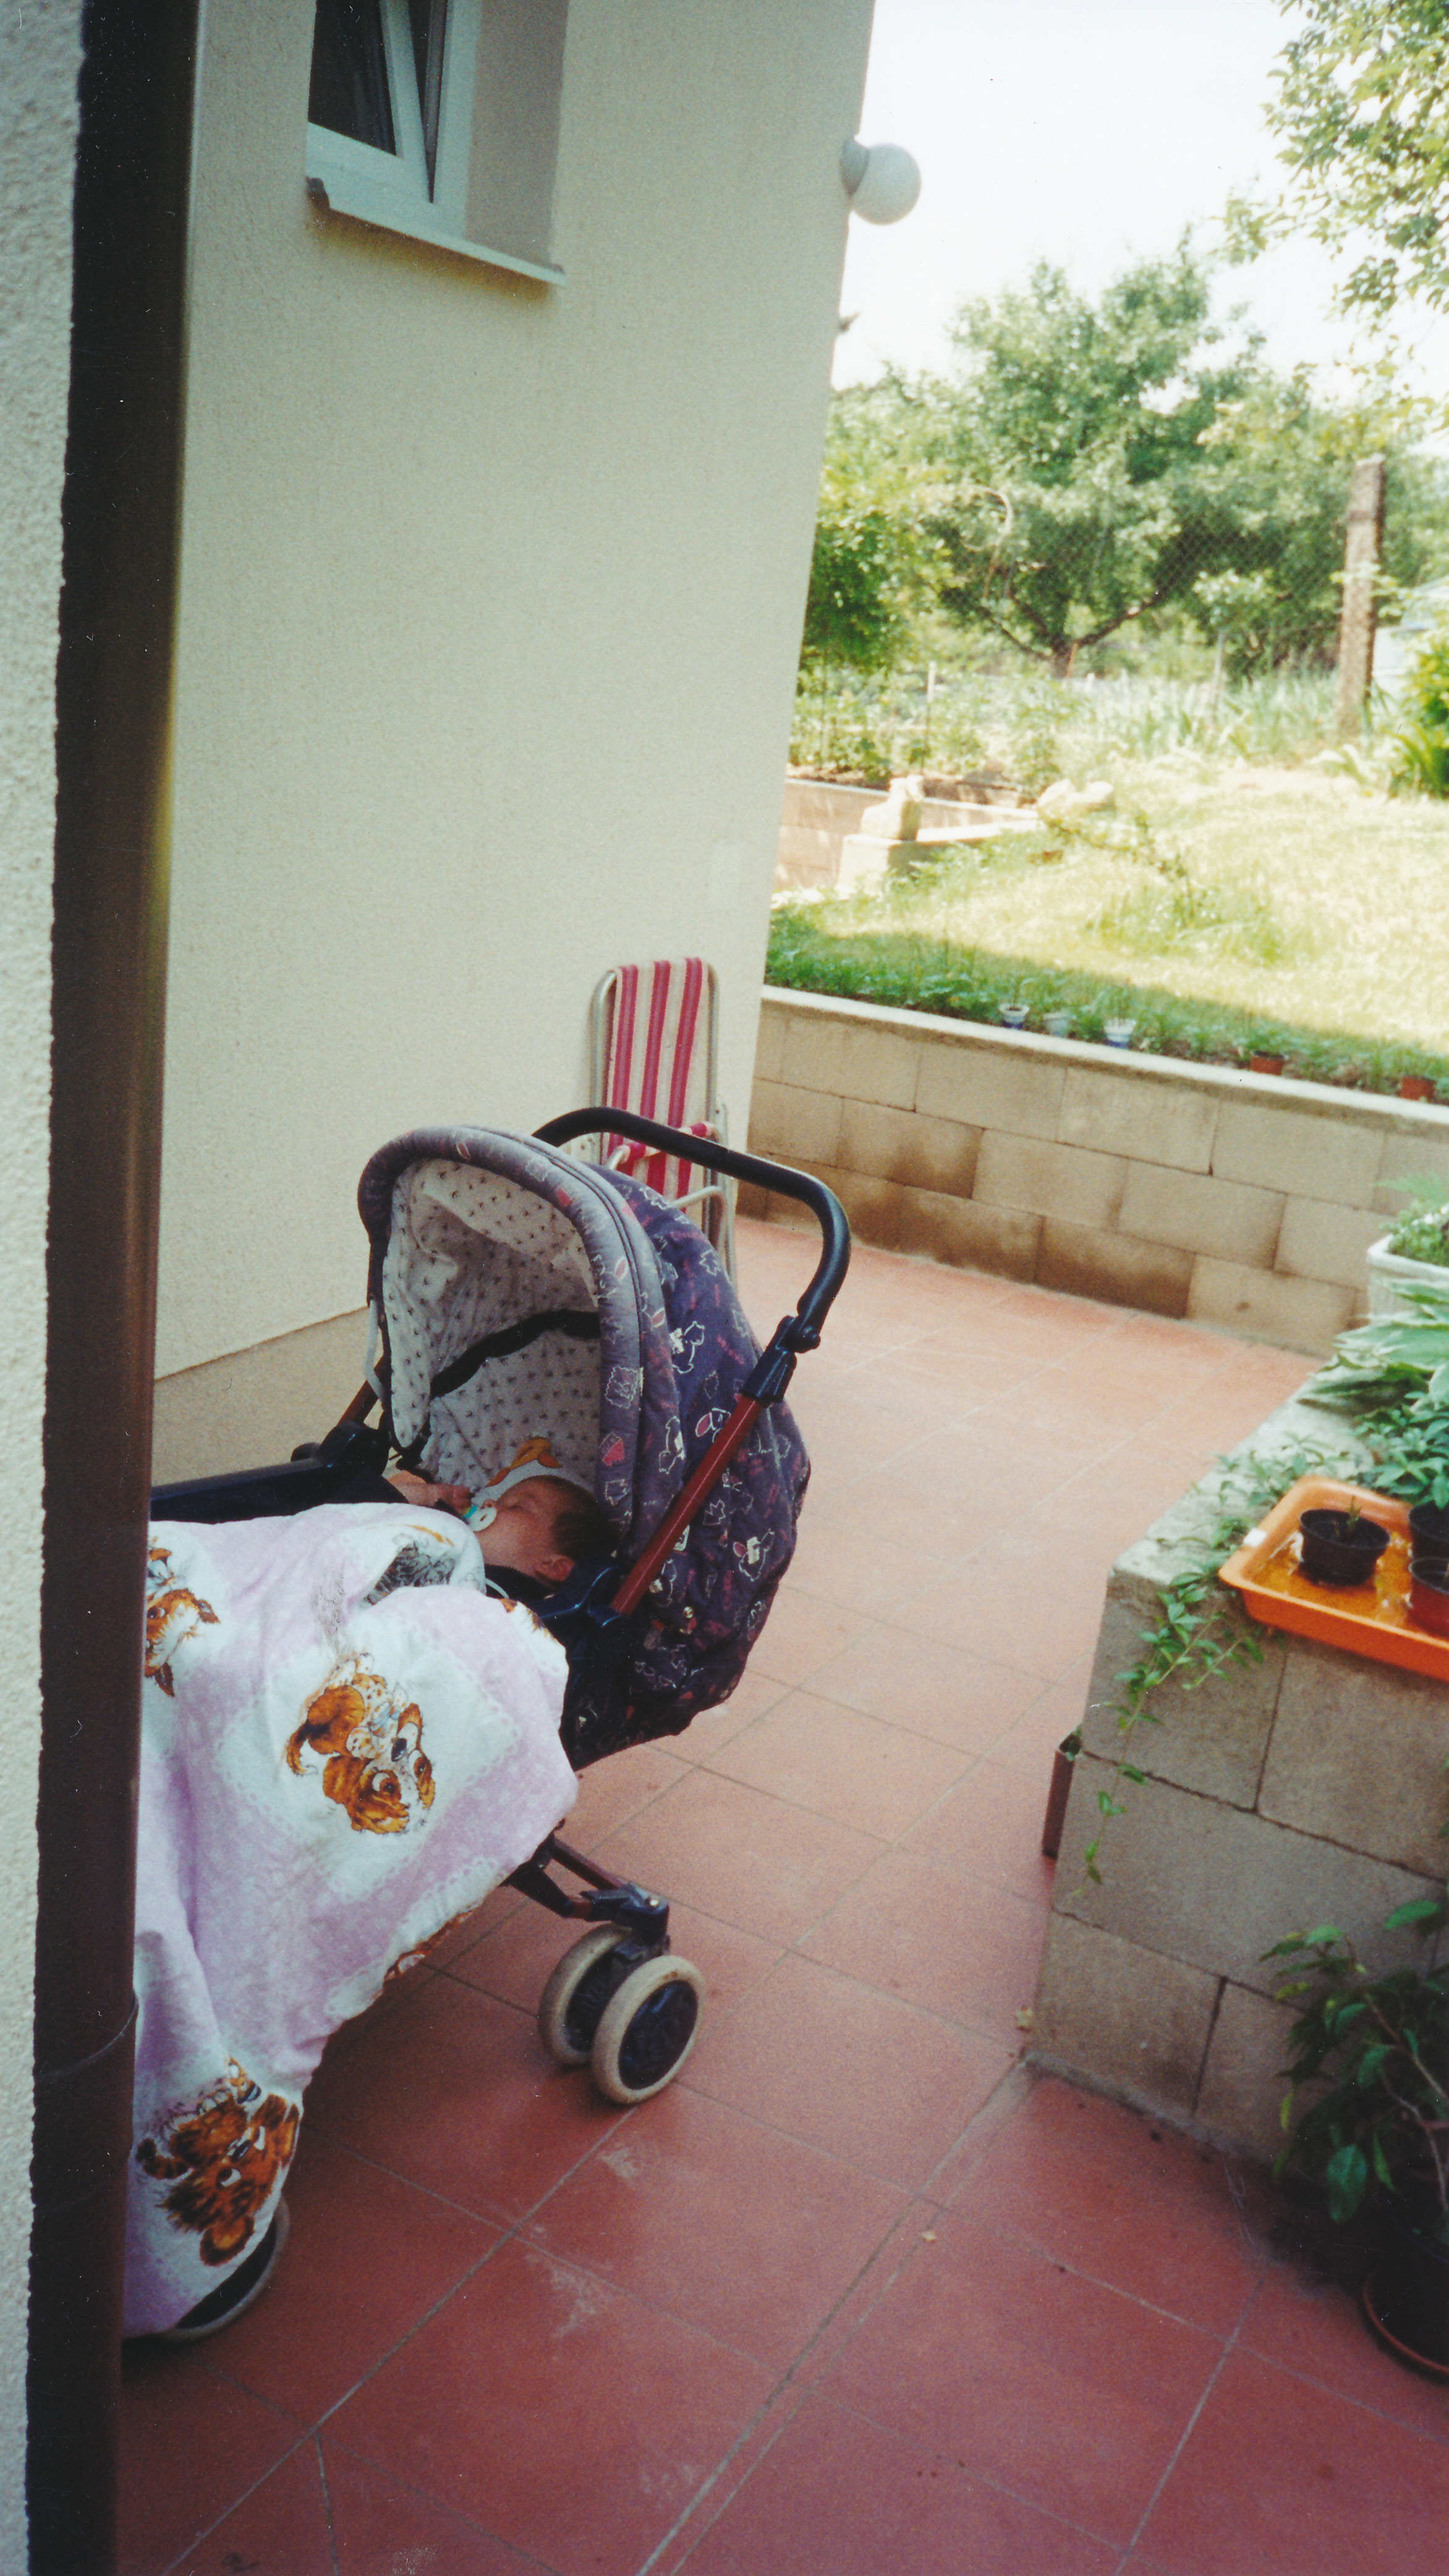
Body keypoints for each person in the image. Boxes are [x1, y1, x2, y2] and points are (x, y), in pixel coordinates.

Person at [386, 1466, 613, 1587]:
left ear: (552, 1566)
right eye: (500, 1500)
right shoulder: (447, 1527)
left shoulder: (514, 1603)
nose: (488, 1503)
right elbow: (379, 1505)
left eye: (516, 1507)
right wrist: (431, 1494)